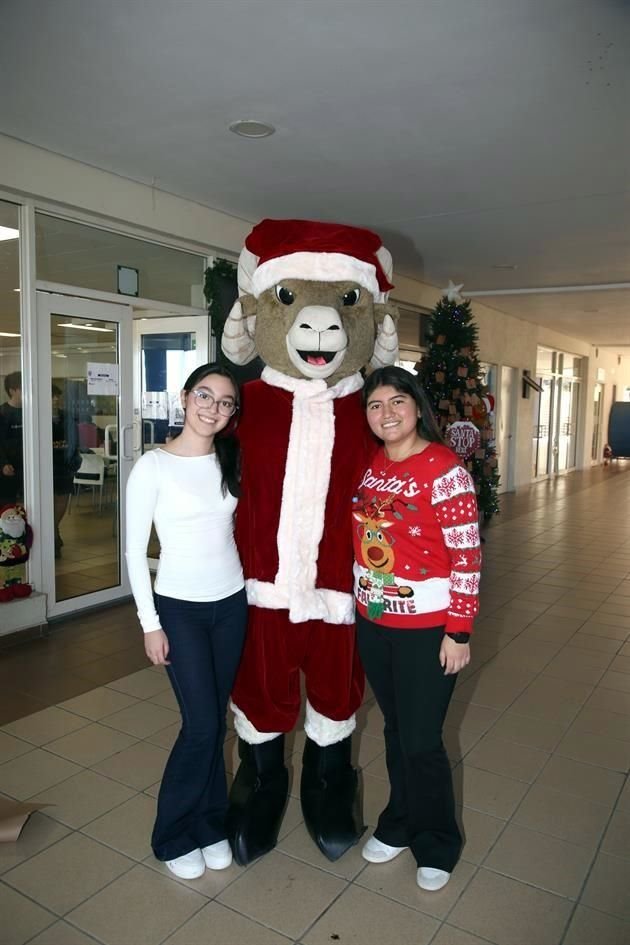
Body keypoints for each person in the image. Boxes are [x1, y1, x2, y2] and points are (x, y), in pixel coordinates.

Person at [352, 366, 481, 891]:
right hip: (374, 621)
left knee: (423, 740)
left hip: (428, 628)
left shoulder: (444, 468)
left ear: (416, 406)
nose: (387, 413)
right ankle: (400, 822)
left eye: (397, 402)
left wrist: (460, 631)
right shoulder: (374, 463)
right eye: (376, 405)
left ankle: (436, 841)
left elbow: (467, 554)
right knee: (395, 729)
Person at [125, 362, 247, 881]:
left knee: (214, 720)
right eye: (205, 395)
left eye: (225, 403)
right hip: (178, 608)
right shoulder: (152, 466)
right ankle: (173, 833)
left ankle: (211, 825)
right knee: (200, 726)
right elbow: (133, 551)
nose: (213, 408)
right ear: (184, 397)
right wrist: (149, 622)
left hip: (232, 603)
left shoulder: (229, 457)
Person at [51, 384, 82, 558]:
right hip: (47, 466)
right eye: (52, 396)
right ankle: (53, 535)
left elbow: (74, 438)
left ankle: (53, 530)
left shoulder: (66, 416)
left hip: (65, 465)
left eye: (57, 396)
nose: (55, 399)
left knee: (62, 501)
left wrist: (75, 459)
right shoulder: (37, 415)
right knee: (50, 502)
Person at [0, 371, 24, 505]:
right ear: (12, 391)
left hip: (28, 468)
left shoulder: (32, 412)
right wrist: (3, 464)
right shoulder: (2, 413)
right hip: (8, 469)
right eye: (22, 388)